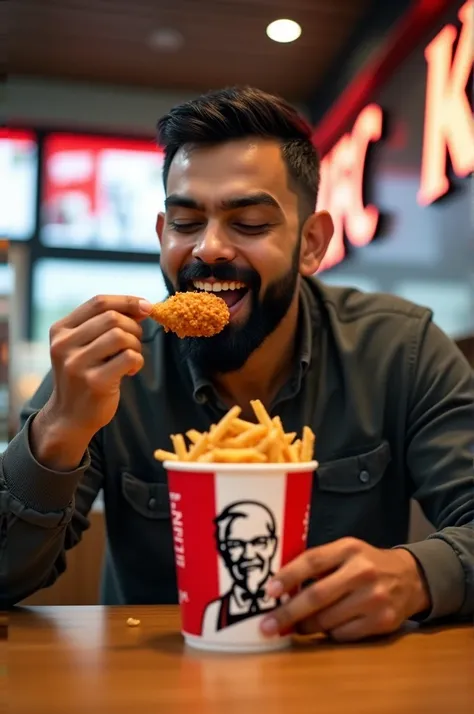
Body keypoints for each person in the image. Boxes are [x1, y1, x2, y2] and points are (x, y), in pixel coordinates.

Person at [1, 87, 472, 643]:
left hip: (343, 678)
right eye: (185, 222)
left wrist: (418, 576)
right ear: (160, 237)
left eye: (249, 222)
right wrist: (61, 426)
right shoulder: (105, 365)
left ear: (311, 244)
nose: (209, 249)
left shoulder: (401, 349)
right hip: (154, 683)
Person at [201, 501, 280, 636]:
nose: (248, 555)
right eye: (235, 544)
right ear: (222, 551)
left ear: (273, 545)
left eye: (259, 542)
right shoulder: (214, 612)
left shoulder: (289, 600)